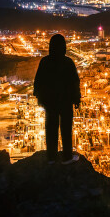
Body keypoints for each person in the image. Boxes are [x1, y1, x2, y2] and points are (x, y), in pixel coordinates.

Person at [33, 34, 81, 164]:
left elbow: (38, 82)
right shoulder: (68, 62)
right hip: (65, 101)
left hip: (50, 102)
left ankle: (51, 157)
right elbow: (74, 82)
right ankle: (67, 156)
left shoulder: (45, 62)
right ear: (64, 47)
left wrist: (39, 98)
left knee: (51, 129)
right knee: (66, 129)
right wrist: (77, 99)